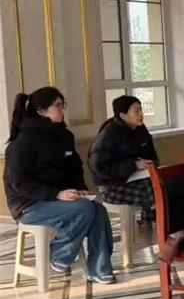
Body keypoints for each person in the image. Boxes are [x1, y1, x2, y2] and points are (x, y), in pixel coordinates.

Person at [3, 87, 115, 284]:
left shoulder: (64, 136)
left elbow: (74, 167)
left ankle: (100, 269)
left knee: (98, 210)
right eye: (58, 106)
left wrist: (79, 188)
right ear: (41, 111)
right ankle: (61, 254)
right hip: (29, 204)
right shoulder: (23, 141)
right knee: (84, 209)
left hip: (59, 199)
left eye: (63, 105)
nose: (62, 110)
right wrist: (56, 194)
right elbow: (20, 182)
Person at [89, 95, 160, 222]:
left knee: (162, 183)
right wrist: (134, 165)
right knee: (151, 190)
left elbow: (152, 155)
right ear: (123, 116)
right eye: (136, 111)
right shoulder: (109, 135)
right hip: (112, 185)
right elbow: (99, 168)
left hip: (138, 178)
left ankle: (154, 221)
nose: (141, 114)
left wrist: (151, 163)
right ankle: (158, 223)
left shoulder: (141, 129)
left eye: (141, 109)